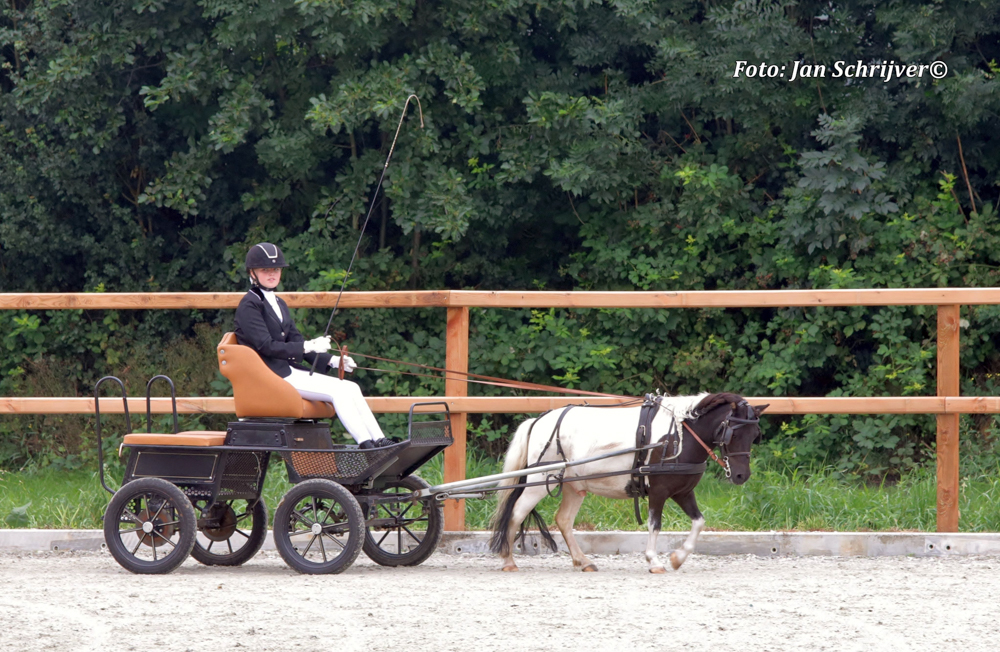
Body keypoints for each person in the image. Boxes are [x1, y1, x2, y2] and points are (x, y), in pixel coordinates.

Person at [233, 242, 392, 449]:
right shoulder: (249, 305)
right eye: (265, 270)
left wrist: (333, 360)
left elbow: (296, 340)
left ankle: (380, 441)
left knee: (351, 387)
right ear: (252, 273)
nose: (272, 274)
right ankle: (365, 444)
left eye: (276, 269)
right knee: (339, 392)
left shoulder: (279, 303)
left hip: (288, 371)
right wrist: (307, 346)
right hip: (271, 376)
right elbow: (266, 346)